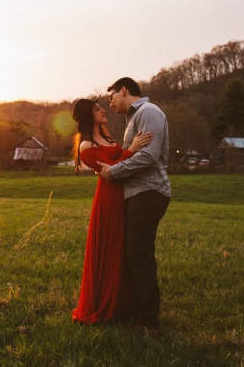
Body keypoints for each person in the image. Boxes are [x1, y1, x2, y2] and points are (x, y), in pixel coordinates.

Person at [98, 77, 171, 336]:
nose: (111, 104)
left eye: (111, 97)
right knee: (137, 254)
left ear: (124, 91)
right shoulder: (135, 118)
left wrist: (115, 172)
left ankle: (149, 322)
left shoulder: (149, 112)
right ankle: (139, 312)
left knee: (138, 255)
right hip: (139, 193)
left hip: (148, 191)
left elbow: (149, 156)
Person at [70, 97, 153, 325]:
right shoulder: (87, 147)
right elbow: (112, 170)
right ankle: (108, 305)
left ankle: (125, 303)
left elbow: (116, 165)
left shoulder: (105, 137)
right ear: (89, 116)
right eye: (97, 109)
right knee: (111, 247)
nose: (102, 110)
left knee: (125, 249)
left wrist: (129, 154)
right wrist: (133, 149)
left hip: (124, 194)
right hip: (109, 199)